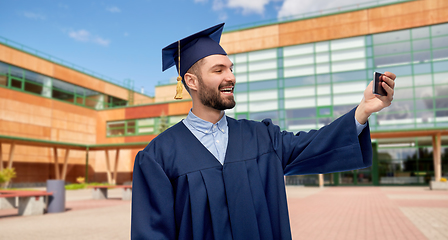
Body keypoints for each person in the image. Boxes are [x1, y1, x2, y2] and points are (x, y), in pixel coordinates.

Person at [131, 23, 396, 240]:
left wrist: (363, 110)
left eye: (231, 69)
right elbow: (152, 234)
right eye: (218, 70)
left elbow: (315, 144)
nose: (231, 77)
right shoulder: (158, 157)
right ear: (191, 81)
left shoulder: (262, 137)